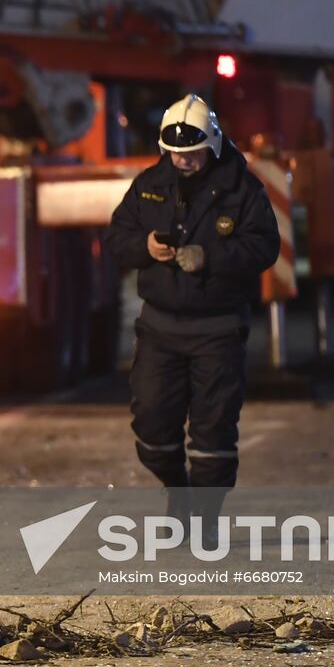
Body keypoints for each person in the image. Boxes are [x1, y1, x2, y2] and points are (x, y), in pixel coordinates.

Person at [106, 94, 280, 530]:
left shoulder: (242, 189)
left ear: (214, 144)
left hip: (218, 331)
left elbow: (264, 246)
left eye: (193, 153)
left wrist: (210, 257)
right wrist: (144, 247)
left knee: (213, 433)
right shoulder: (149, 185)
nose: (184, 162)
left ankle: (204, 521)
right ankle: (177, 490)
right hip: (160, 329)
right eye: (175, 154)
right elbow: (117, 239)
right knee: (151, 428)